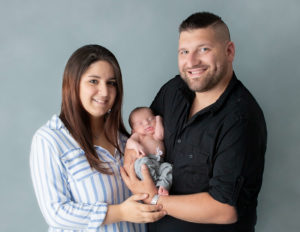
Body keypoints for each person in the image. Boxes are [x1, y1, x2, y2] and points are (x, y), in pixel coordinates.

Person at [121, 12, 267, 232]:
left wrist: (153, 198)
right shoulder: (173, 91)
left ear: (229, 51)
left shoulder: (241, 118)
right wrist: (132, 160)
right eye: (184, 52)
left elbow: (224, 209)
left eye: (204, 49)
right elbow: (142, 134)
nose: (191, 62)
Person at [29, 44, 165, 232]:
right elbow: (56, 212)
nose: (104, 91)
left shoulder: (128, 142)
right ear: (73, 84)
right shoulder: (50, 140)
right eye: (93, 81)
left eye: (111, 83)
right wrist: (120, 213)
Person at [125, 107, 172, 196]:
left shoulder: (155, 135)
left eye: (150, 119)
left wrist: (158, 120)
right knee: (142, 163)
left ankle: (162, 187)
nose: (147, 123)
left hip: (159, 163)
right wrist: (136, 145)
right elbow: (129, 142)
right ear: (133, 130)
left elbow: (161, 135)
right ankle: (152, 184)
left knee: (168, 167)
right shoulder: (138, 135)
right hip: (146, 159)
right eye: (140, 123)